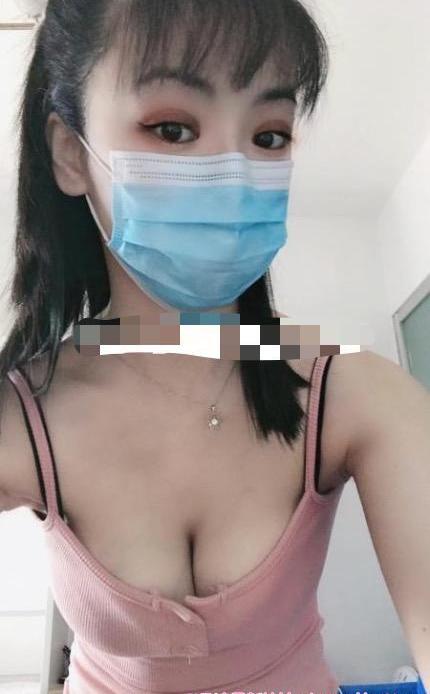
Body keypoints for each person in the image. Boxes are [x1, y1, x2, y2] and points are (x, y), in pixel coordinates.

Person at [0, 2, 429, 693]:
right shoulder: (25, 412)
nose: (233, 175)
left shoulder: (356, 394)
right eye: (173, 128)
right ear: (72, 153)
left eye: (268, 135)